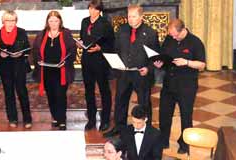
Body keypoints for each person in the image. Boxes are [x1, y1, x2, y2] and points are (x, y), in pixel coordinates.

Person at [104, 4, 159, 137]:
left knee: (144, 103)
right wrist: (116, 65)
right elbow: (116, 49)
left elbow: (156, 56)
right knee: (120, 101)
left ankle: (145, 130)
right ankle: (119, 127)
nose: (130, 19)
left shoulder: (150, 33)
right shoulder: (122, 30)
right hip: (124, 73)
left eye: (133, 16)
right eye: (129, 16)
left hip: (141, 74)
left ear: (141, 17)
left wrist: (148, 68)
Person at [155, 19, 206, 154]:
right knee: (164, 114)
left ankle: (184, 144)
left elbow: (201, 65)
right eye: (171, 35)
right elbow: (164, 57)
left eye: (175, 35)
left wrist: (187, 62)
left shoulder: (195, 42)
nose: (173, 37)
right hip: (169, 84)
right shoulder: (169, 39)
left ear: (183, 30)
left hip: (186, 86)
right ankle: (164, 140)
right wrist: (160, 63)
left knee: (186, 116)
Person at [32, 10, 76, 130]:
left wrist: (65, 62)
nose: (53, 23)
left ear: (60, 21)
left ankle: (62, 120)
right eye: (51, 21)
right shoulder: (41, 34)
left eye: (56, 21)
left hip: (61, 71)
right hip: (46, 71)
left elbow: (72, 51)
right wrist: (38, 61)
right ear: (47, 22)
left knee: (60, 95)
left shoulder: (66, 34)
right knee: (51, 95)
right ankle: (55, 117)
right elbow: (35, 50)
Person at [78, 0, 114, 131]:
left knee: (104, 90)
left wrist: (100, 48)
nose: (91, 11)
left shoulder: (105, 24)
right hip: (87, 60)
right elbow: (83, 36)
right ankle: (91, 119)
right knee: (89, 91)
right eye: (90, 8)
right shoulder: (84, 21)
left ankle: (105, 119)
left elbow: (111, 43)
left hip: (100, 61)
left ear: (99, 10)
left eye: (94, 9)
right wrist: (80, 43)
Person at [0, 10, 32, 129]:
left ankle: (27, 118)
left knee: (22, 92)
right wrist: (0, 55)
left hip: (19, 66)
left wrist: (20, 54)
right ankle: (12, 118)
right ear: (3, 21)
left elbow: (27, 48)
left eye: (13, 20)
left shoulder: (21, 32)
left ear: (16, 21)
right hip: (5, 66)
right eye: (8, 20)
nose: (10, 23)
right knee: (9, 93)